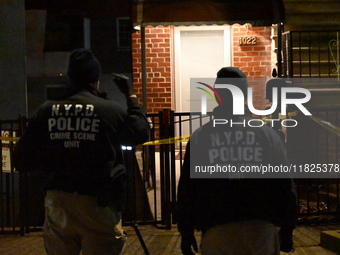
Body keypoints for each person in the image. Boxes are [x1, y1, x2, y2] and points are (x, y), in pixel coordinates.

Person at [13, 48, 150, 255]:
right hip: (98, 201)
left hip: (58, 201)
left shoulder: (46, 110)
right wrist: (130, 96)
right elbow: (141, 132)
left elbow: (22, 159)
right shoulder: (108, 110)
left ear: (70, 78)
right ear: (96, 80)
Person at [177, 67, 298, 255]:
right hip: (260, 229)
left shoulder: (201, 137)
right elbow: (284, 185)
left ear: (217, 96)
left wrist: (186, 231)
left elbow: (187, 189)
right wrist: (287, 228)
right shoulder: (268, 135)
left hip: (218, 229)